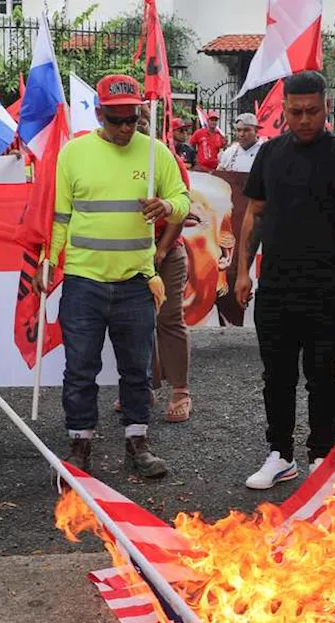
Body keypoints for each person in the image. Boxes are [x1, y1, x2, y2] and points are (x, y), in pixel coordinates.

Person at [37, 75, 190, 478]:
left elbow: (182, 198)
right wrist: (48, 261)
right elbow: (60, 216)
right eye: (117, 119)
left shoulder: (156, 152)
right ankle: (80, 444)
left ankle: (138, 443)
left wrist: (167, 207)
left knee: (136, 370)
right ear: (99, 113)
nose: (126, 128)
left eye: (134, 119)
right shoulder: (74, 154)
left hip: (136, 282)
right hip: (83, 281)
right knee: (80, 369)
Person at [234, 71, 335, 489]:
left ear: (325, 109)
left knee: (322, 374)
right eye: (295, 112)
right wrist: (243, 270)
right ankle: (279, 454)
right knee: (276, 376)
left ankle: (322, 456)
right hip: (275, 286)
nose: (303, 119)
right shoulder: (270, 154)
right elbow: (254, 213)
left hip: (323, 286)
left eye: (312, 111)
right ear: (284, 111)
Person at [135, 114, 195, 423]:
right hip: (128, 255)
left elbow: (180, 211)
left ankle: (180, 392)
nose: (136, 125)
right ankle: (143, 387)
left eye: (143, 120)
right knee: (134, 322)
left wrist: (159, 251)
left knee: (169, 318)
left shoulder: (167, 158)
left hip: (166, 251)